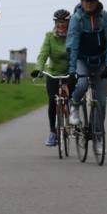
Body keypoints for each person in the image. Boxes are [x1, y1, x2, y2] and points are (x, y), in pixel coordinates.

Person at [66, 0, 107, 137]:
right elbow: (72, 46)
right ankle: (74, 106)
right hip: (82, 60)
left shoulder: (105, 17)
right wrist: (71, 72)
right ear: (81, 2)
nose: (89, 3)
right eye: (86, 1)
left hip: (101, 61)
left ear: (97, 1)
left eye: (92, 0)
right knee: (82, 84)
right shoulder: (76, 19)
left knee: (101, 102)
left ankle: (97, 135)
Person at [31, 9, 71, 146]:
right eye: (59, 22)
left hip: (69, 72)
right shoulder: (49, 36)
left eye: (64, 22)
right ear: (55, 23)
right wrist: (38, 69)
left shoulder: (73, 36)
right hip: (53, 73)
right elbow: (43, 54)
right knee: (52, 101)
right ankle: (53, 132)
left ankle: (70, 116)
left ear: (69, 22)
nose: (61, 25)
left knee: (70, 97)